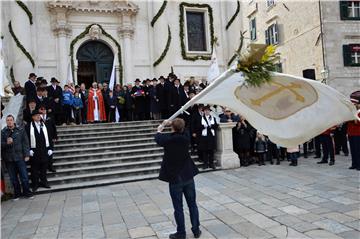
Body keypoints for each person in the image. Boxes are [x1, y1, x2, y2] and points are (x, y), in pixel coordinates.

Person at [154, 118, 201, 239]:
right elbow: (184, 129)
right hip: (188, 175)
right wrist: (174, 125)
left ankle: (181, 233)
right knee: (192, 205)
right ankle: (196, 230)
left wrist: (161, 127)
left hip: (175, 178)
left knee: (178, 207)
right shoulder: (186, 138)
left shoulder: (168, 140)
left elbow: (157, 137)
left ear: (173, 128)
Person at [1, 115, 34, 200]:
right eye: (7, 120)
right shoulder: (3, 132)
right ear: (6, 121)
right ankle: (17, 194)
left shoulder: (20, 130)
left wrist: (27, 154)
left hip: (20, 157)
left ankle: (27, 192)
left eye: (11, 120)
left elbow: (25, 143)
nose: (9, 122)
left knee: (24, 176)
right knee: (13, 178)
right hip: (9, 159)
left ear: (14, 120)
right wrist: (6, 143)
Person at [26, 110, 52, 191]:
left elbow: (49, 136)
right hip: (34, 151)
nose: (38, 116)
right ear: (33, 117)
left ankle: (44, 182)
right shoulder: (28, 126)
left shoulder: (44, 125)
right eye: (36, 115)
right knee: (34, 169)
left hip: (44, 150)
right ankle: (35, 184)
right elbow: (25, 139)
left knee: (44, 167)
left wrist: (50, 148)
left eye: (39, 115)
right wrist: (29, 150)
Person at [197, 105, 218, 169]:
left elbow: (216, 126)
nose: (207, 112)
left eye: (208, 110)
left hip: (211, 136)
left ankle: (211, 164)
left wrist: (211, 126)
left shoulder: (213, 118)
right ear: (203, 111)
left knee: (211, 151)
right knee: (205, 151)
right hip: (204, 137)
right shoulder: (201, 118)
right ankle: (205, 164)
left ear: (209, 111)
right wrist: (204, 126)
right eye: (205, 110)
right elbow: (198, 127)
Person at [39, 105, 58, 172]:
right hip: (41, 139)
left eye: (44, 109)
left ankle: (50, 166)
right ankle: (44, 167)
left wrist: (55, 136)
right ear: (39, 110)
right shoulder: (38, 118)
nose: (43, 111)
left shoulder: (50, 117)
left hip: (50, 138)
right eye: (41, 109)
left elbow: (54, 127)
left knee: (50, 153)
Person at [348, 91, 360, 170]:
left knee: (358, 150)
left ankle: (359, 165)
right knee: (352, 150)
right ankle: (354, 163)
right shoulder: (352, 112)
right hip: (350, 133)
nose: (353, 105)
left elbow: (357, 122)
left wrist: (352, 118)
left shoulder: (358, 112)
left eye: (354, 104)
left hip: (358, 133)